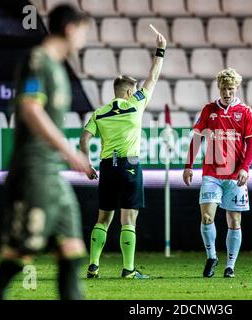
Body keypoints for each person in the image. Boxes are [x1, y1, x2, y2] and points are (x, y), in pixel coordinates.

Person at [0, 5, 91, 300]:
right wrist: (69, 151)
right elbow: (30, 108)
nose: (84, 40)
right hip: (34, 171)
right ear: (70, 29)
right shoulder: (38, 60)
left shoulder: (57, 66)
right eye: (83, 32)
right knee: (18, 256)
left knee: (72, 253)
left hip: (52, 173)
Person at [80, 26, 166, 279]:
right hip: (129, 166)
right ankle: (128, 269)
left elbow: (84, 139)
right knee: (128, 220)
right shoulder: (135, 104)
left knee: (103, 218)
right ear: (129, 92)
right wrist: (160, 50)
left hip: (107, 167)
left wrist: (86, 165)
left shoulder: (100, 112)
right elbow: (153, 77)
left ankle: (93, 265)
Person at [182, 68, 252, 278]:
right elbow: (197, 139)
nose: (227, 93)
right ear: (219, 88)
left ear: (236, 88)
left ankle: (230, 266)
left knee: (234, 221)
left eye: (231, 89)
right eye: (224, 89)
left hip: (235, 176)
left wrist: (245, 168)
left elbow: (251, 144)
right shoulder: (208, 110)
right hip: (211, 173)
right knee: (207, 217)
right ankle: (212, 257)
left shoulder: (246, 112)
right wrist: (188, 165)